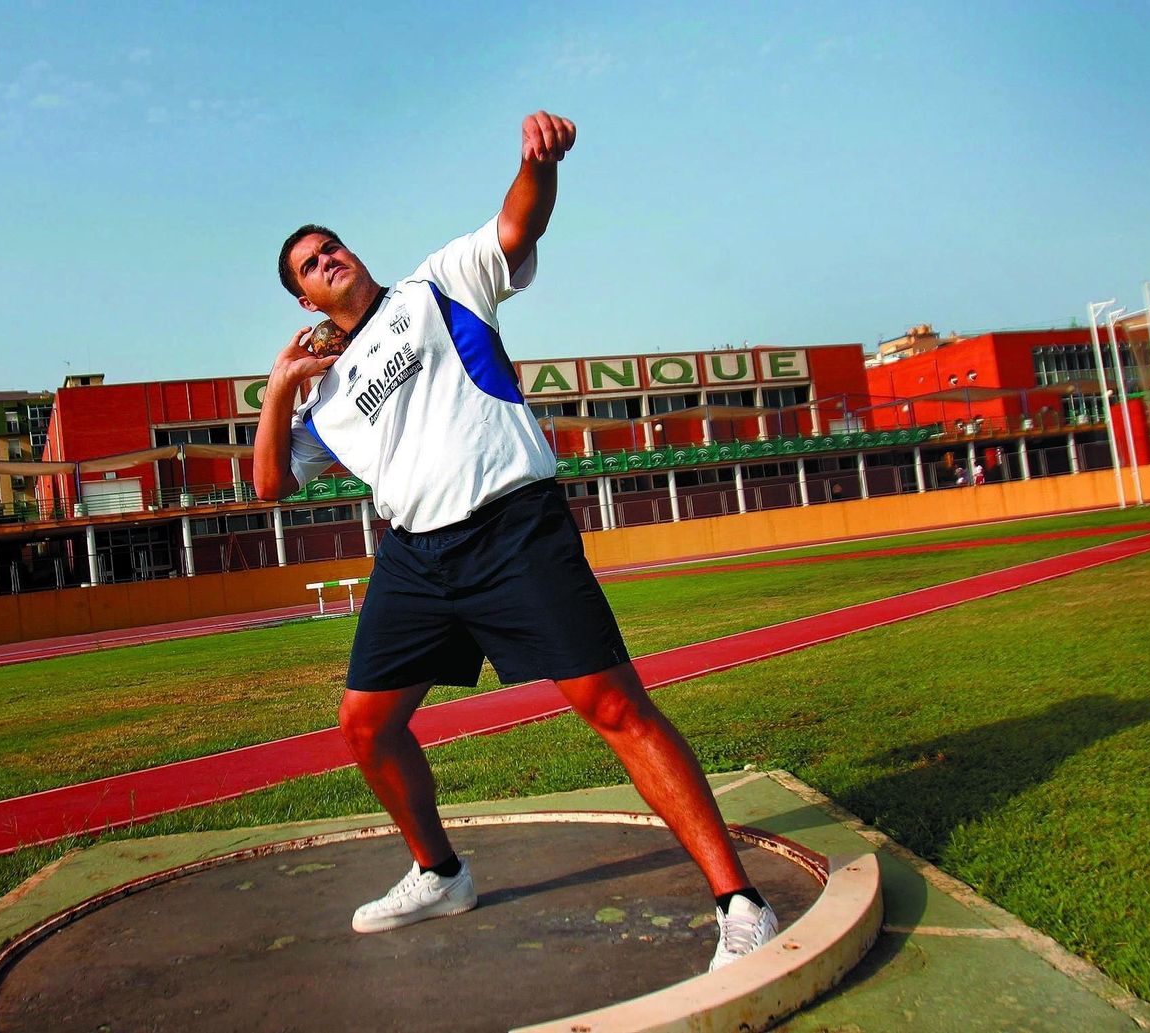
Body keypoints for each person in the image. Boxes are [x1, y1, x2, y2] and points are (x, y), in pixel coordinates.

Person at [254, 111, 778, 972]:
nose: (329, 258)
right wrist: (278, 390)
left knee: (613, 706)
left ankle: (739, 902)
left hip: (511, 529)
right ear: (304, 299)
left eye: (332, 245)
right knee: (364, 726)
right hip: (417, 560)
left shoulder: (438, 284)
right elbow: (270, 485)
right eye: (310, 264)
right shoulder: (324, 400)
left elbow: (518, 222)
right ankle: (440, 871)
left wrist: (536, 163)